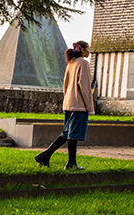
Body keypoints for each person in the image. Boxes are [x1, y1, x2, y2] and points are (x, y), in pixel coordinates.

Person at [35, 40, 94, 170]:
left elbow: (65, 85)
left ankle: (67, 161)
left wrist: (67, 99)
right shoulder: (83, 63)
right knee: (72, 134)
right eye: (88, 48)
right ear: (83, 50)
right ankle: (52, 157)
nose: (90, 51)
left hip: (68, 103)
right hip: (79, 104)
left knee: (68, 134)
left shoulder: (71, 63)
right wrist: (90, 107)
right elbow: (85, 87)